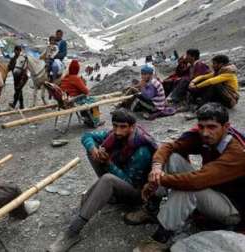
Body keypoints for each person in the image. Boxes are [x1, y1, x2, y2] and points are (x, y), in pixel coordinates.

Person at [130, 103, 245, 251]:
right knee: (172, 157)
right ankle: (152, 207)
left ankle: (163, 236)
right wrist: (157, 168)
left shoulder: (238, 152)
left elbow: (196, 181)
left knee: (188, 188)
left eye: (212, 127)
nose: (205, 133)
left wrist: (156, 180)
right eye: (201, 126)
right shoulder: (203, 136)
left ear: (226, 126)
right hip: (212, 188)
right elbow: (169, 146)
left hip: (232, 209)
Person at [47, 109, 157, 252]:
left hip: (137, 193)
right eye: (115, 126)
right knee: (93, 152)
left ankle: (72, 233)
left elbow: (130, 181)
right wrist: (94, 150)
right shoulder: (114, 136)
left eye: (123, 127)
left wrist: (108, 163)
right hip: (121, 178)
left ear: (132, 126)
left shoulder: (142, 149)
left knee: (108, 179)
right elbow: (87, 136)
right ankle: (104, 194)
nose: (117, 131)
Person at [60, 60, 102, 127]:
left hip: (65, 101)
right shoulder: (75, 78)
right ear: (77, 69)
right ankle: (96, 121)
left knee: (85, 98)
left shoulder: (64, 78)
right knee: (94, 101)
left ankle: (87, 118)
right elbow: (86, 91)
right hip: (73, 101)